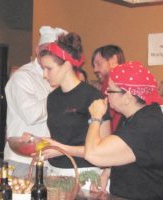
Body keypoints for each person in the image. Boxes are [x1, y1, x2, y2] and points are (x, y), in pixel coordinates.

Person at [84, 61, 163, 199]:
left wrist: (96, 117)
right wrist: (106, 173)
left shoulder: (146, 125)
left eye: (110, 90)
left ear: (128, 97)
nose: (106, 94)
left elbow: (92, 154)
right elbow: (122, 150)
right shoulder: (135, 115)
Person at [39, 32, 111, 177]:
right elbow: (61, 137)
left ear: (66, 65)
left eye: (49, 68)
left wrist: (62, 149)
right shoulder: (52, 98)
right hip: (54, 172)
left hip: (84, 173)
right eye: (43, 69)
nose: (44, 75)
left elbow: (105, 149)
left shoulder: (92, 97)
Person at [4, 26, 67, 177]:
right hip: (23, 161)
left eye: (54, 51)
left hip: (49, 160)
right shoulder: (22, 77)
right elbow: (31, 114)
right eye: (46, 50)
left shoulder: (59, 79)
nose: (49, 54)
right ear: (37, 50)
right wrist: (59, 94)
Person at [91, 45, 126, 133]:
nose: (95, 70)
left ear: (114, 59)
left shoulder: (111, 79)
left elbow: (105, 116)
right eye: (94, 66)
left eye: (98, 64)